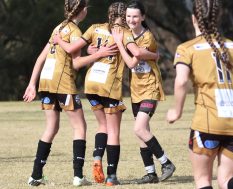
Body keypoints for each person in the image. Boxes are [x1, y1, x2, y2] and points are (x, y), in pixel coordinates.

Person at [166, 0, 233, 189]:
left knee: (203, 180)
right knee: (227, 181)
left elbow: (180, 81)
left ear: (193, 19)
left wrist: (176, 111)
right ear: (218, 18)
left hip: (207, 122)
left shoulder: (186, 48)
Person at [53, 2, 128, 186]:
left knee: (102, 125)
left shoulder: (95, 28)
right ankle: (111, 176)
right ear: (125, 16)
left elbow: (78, 54)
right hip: (109, 84)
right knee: (114, 131)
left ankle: (96, 157)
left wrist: (88, 49)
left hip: (91, 83)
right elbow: (134, 56)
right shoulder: (126, 33)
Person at [23, 0, 91, 186]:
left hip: (46, 82)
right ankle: (78, 176)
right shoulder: (76, 31)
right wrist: (98, 55)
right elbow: (76, 62)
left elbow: (40, 57)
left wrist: (32, 84)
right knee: (80, 127)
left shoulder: (58, 27)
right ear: (82, 10)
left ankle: (36, 175)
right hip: (62, 83)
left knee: (51, 128)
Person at [112, 0, 176, 184]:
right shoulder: (126, 34)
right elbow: (141, 54)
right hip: (135, 90)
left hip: (150, 87)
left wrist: (121, 43)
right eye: (128, 16)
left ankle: (166, 163)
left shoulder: (147, 37)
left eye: (135, 16)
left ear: (143, 17)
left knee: (139, 128)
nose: (131, 20)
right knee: (142, 131)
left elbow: (135, 58)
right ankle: (150, 173)